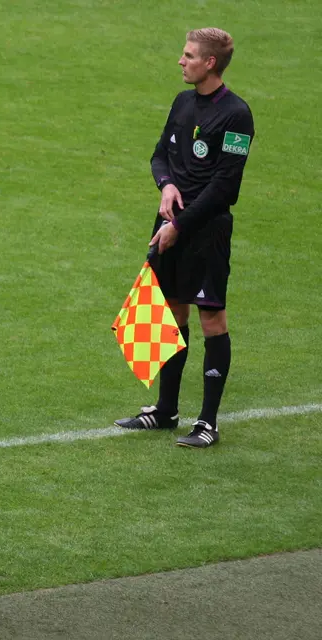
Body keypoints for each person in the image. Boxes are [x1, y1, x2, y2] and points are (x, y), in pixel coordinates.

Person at [115, 28, 254, 448]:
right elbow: (160, 154)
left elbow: (225, 187)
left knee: (211, 318)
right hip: (170, 221)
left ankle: (207, 423)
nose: (181, 61)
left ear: (209, 63)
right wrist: (166, 186)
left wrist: (179, 225)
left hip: (204, 231)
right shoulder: (182, 102)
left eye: (189, 55)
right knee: (170, 315)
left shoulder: (236, 115)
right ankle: (166, 411)